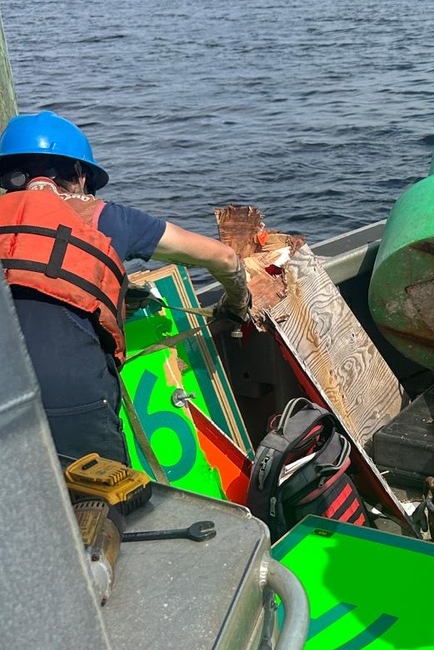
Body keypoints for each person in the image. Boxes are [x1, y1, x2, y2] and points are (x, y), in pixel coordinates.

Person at [0, 110, 252, 466]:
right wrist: (238, 304)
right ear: (81, 176)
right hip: (73, 397)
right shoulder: (107, 218)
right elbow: (225, 259)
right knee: (100, 510)